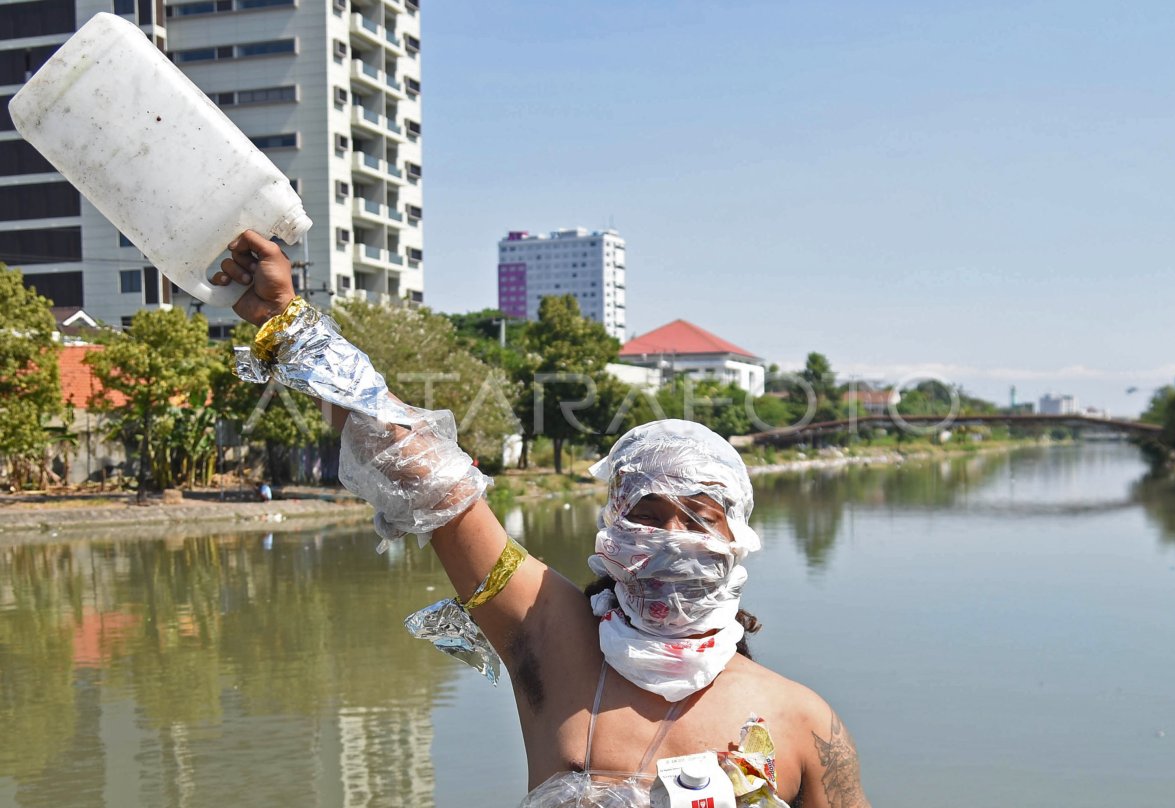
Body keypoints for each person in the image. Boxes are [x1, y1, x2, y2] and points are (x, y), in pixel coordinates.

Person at [214, 231, 871, 808]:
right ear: (610, 535)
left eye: (699, 519)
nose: (672, 541)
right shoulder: (550, 636)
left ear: (738, 542)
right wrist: (287, 319)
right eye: (647, 515)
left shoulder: (801, 722)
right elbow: (429, 479)